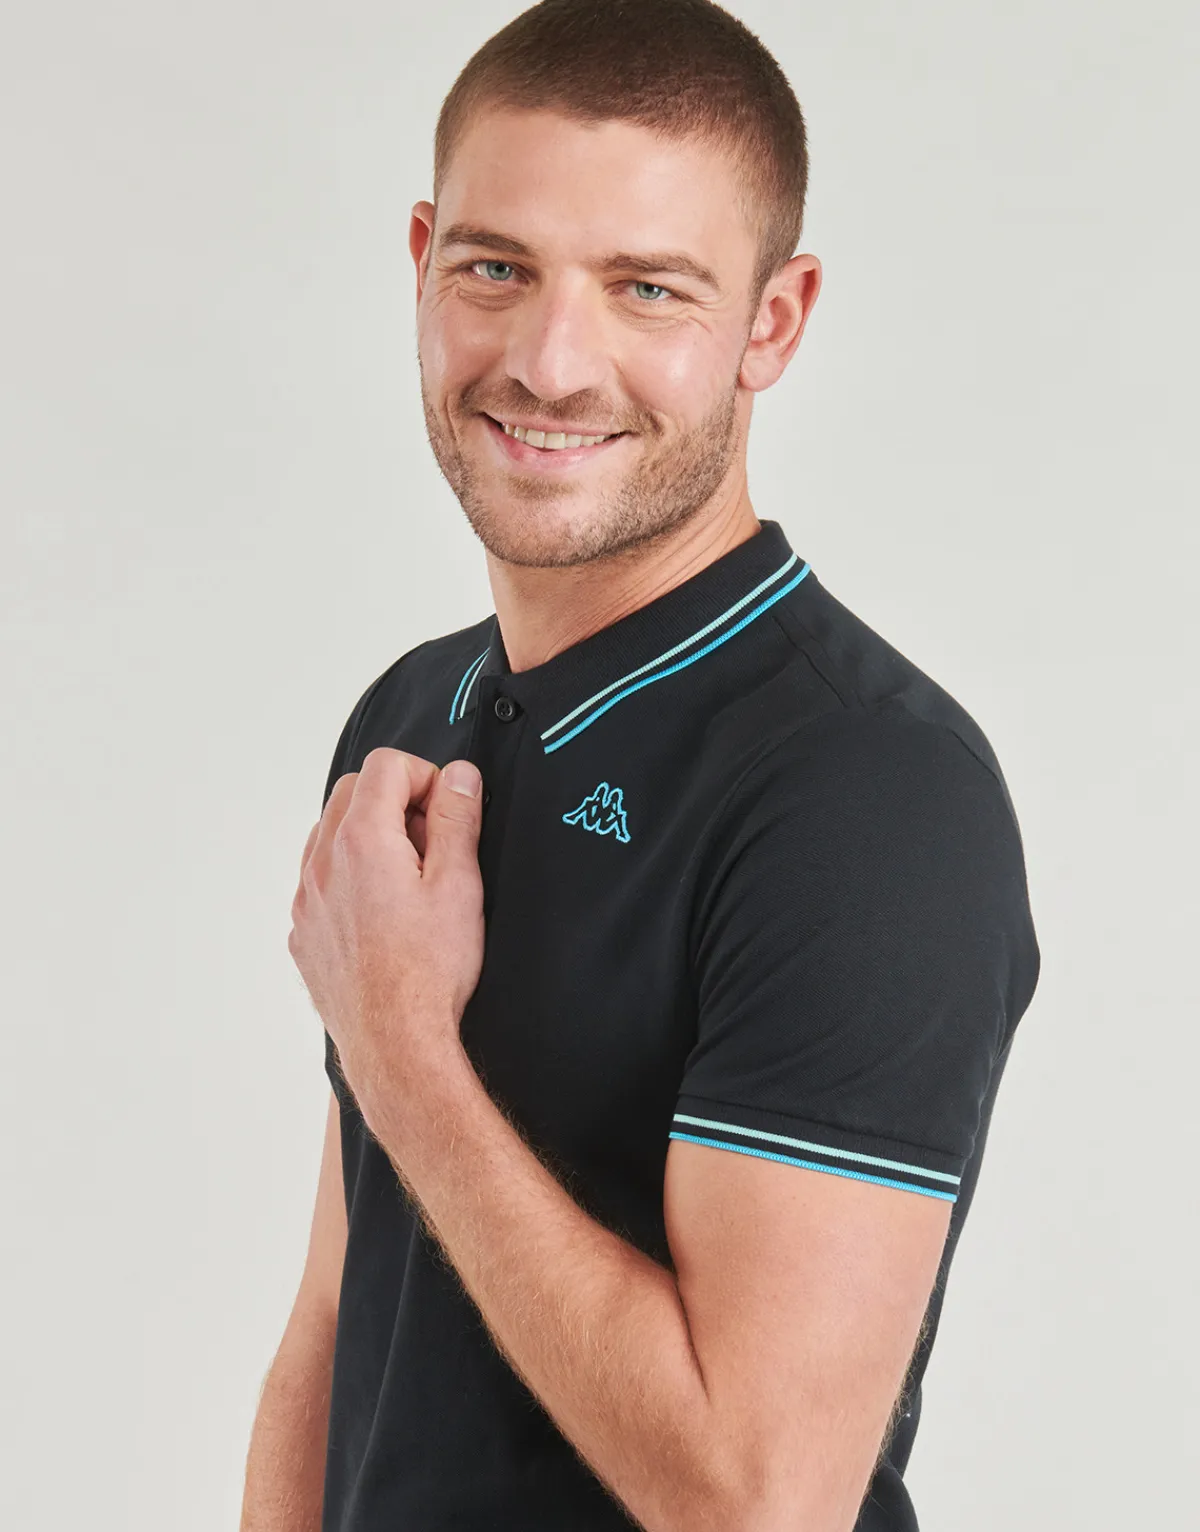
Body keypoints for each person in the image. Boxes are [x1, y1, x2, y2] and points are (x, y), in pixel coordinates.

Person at [240, 2, 1040, 1528]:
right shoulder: (410, 714)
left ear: (773, 324)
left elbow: (759, 1503)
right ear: (421, 259)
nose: (551, 363)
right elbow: (333, 1336)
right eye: (496, 269)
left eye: (647, 289)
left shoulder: (871, 796)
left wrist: (407, 1058)